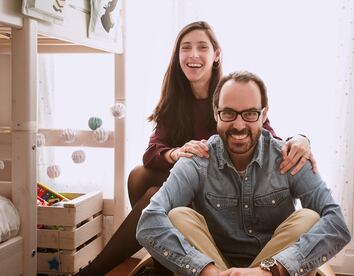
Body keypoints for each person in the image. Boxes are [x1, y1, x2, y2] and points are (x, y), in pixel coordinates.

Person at [77, 21, 315, 275]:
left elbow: (269, 139)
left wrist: (302, 138)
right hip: (190, 191)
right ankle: (163, 259)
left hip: (224, 196)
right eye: (185, 48)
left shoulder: (232, 93)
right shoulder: (176, 100)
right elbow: (152, 152)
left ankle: (96, 272)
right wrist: (176, 152)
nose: (193, 55)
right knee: (140, 177)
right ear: (178, 56)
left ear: (216, 54)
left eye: (202, 47)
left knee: (148, 194)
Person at [137, 71, 351, 276]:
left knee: (310, 218)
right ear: (216, 114)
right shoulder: (196, 160)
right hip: (215, 263)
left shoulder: (289, 157)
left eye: (249, 114)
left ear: (263, 114)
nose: (239, 125)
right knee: (178, 216)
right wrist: (207, 270)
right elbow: (148, 222)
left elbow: (336, 224)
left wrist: (267, 272)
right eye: (228, 113)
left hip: (272, 267)